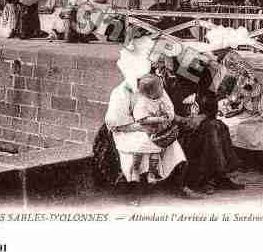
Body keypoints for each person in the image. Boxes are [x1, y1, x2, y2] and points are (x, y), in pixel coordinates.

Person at [104, 38, 203, 200]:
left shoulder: (154, 86)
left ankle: (180, 185)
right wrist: (142, 126)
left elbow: (168, 108)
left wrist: (166, 118)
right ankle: (134, 191)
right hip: (129, 130)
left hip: (155, 128)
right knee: (141, 145)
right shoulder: (121, 92)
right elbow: (116, 123)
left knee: (174, 147)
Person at [155, 54, 244, 195]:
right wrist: (181, 119)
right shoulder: (160, 79)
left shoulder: (197, 74)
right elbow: (158, 108)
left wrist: (200, 118)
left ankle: (218, 176)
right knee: (211, 130)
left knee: (218, 126)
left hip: (197, 120)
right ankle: (206, 179)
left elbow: (211, 105)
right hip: (173, 122)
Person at [133, 74, 176, 183]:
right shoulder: (142, 102)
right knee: (139, 151)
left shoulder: (161, 99)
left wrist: (165, 117)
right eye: (160, 88)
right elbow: (141, 119)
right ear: (151, 93)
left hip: (158, 132)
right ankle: (135, 170)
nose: (163, 89)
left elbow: (170, 112)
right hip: (145, 131)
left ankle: (151, 173)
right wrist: (158, 119)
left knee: (155, 152)